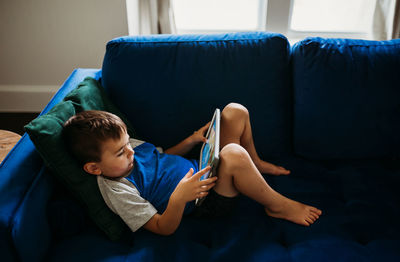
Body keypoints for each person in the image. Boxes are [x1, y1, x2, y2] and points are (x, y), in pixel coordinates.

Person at [63, 103, 322, 236]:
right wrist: (179, 197)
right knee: (232, 154)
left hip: (203, 168)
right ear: (94, 168)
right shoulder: (118, 190)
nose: (130, 150)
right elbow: (162, 228)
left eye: (127, 142)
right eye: (121, 152)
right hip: (205, 201)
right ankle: (278, 205)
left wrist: (191, 140)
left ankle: (255, 161)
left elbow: (160, 155)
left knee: (235, 111)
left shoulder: (129, 147)